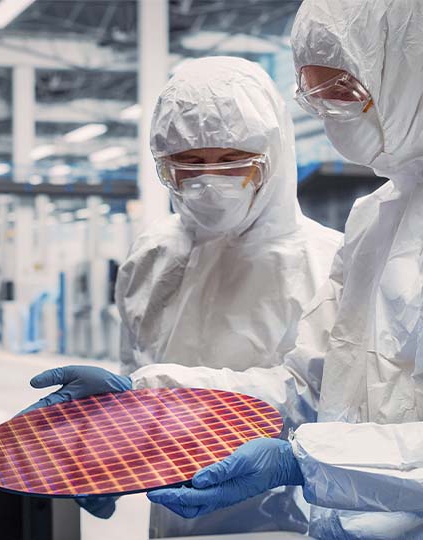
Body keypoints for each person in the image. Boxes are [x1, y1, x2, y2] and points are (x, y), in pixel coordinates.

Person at [29, 0, 423, 538]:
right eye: (313, 96)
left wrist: (304, 462)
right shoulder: (382, 211)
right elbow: (311, 385)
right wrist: (144, 397)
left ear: (417, 69)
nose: (328, 113)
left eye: (342, 89)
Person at [22, 56, 342, 538]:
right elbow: (138, 373)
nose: (209, 182)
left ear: (273, 158)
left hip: (291, 519)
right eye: (188, 165)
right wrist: (109, 450)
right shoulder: (153, 255)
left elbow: (321, 395)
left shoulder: (329, 261)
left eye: (232, 162)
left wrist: (152, 390)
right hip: (171, 514)